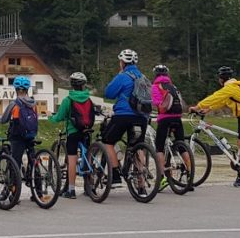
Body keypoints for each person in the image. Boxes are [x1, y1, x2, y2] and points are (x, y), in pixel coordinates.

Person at [191, 66, 240, 187]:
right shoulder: (233, 86)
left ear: (220, 79)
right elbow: (222, 101)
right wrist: (208, 109)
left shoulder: (230, 87)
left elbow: (215, 97)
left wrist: (198, 106)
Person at [103, 49, 149, 179]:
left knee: (108, 141)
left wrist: (118, 77)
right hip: (142, 117)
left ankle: (115, 174)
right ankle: (141, 184)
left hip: (123, 115)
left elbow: (108, 93)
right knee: (137, 146)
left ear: (122, 62)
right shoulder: (143, 77)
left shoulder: (123, 76)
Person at [49, 72, 94, 199]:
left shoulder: (68, 100)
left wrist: (49, 117)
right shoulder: (89, 99)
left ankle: (71, 190)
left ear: (72, 85)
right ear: (84, 85)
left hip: (73, 132)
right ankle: (89, 188)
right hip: (87, 130)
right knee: (88, 157)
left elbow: (59, 117)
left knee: (72, 160)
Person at [151, 64, 191, 192]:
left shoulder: (155, 86)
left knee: (159, 147)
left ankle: (162, 178)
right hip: (177, 118)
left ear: (155, 75)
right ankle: (190, 175)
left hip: (164, 118)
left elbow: (156, 103)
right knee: (181, 145)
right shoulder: (173, 87)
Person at [0, 75, 38, 175]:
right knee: (33, 158)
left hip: (17, 136)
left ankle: (13, 186)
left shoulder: (14, 104)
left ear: (16, 89)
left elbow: (4, 120)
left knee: (15, 161)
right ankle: (38, 186)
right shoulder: (33, 103)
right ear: (27, 89)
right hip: (31, 134)